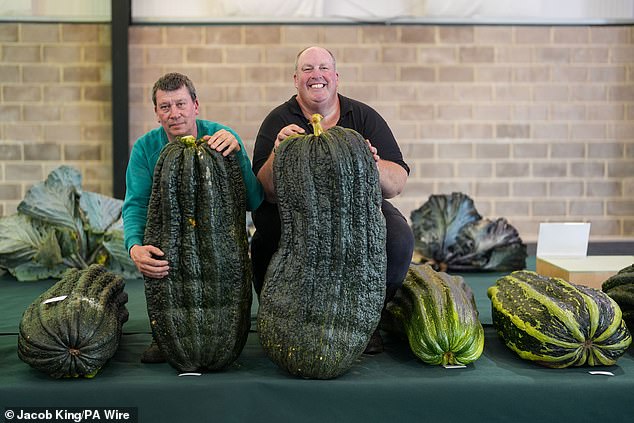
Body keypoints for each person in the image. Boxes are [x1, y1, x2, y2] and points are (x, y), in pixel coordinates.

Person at [250, 46, 414, 354]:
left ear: (335, 77)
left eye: (323, 68)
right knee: (265, 236)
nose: (317, 75)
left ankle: (368, 319)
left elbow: (396, 184)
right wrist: (277, 151)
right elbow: (265, 191)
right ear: (296, 79)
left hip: (356, 210)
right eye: (308, 69)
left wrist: (367, 162)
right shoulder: (278, 120)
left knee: (398, 238)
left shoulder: (362, 116)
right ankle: (278, 316)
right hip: (298, 211)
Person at [122, 72, 264, 362]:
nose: (174, 113)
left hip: (220, 241)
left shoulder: (222, 138)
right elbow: (135, 203)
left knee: (222, 294)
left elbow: (254, 199)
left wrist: (236, 154)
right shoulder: (145, 148)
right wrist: (134, 246)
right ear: (157, 113)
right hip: (170, 241)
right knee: (166, 282)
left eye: (180, 104)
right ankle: (169, 340)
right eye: (165, 107)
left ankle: (222, 343)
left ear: (195, 105)